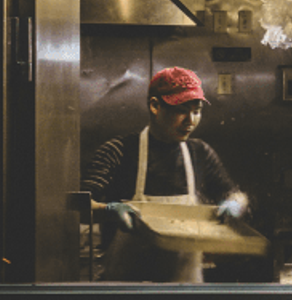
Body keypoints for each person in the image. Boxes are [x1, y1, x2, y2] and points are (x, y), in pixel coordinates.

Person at [83, 66, 250, 282]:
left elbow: (233, 193)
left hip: (183, 289)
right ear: (155, 106)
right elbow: (80, 204)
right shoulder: (119, 151)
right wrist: (110, 209)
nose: (190, 120)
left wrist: (234, 205)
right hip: (126, 291)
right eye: (181, 110)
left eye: (196, 111)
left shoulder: (199, 153)